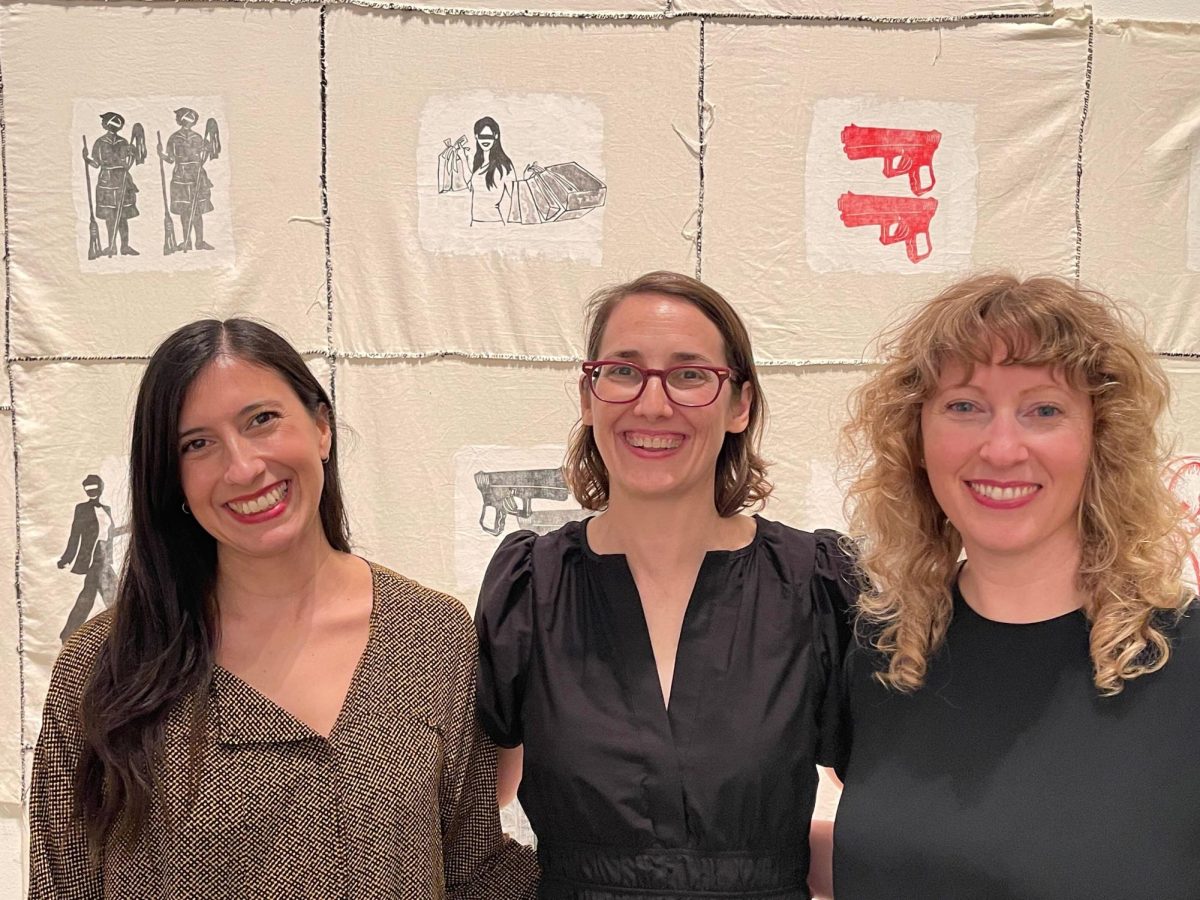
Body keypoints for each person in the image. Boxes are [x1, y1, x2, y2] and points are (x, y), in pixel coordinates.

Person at [29, 319, 538, 898]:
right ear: (172, 478)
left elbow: (474, 871)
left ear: (321, 427)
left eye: (262, 420)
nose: (243, 468)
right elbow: (60, 884)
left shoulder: (432, 635)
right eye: (198, 444)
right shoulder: (104, 666)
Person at [475, 271, 854, 899]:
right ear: (588, 395)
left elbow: (894, 810)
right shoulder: (528, 589)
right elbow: (462, 820)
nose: (652, 405)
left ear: (740, 405)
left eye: (689, 375)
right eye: (623, 371)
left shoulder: (813, 586)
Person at [827, 273, 1199, 899]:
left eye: (1044, 410)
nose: (1001, 449)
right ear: (916, 438)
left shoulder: (1185, 660)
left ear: (1099, 439)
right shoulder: (881, 654)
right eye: (964, 406)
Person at [56, 474, 123, 644]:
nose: (91, 491)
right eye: (88, 488)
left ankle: (68, 634)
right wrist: (67, 558)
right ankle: (126, 628)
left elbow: (109, 532)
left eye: (94, 488)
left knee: (94, 596)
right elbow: (75, 534)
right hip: (94, 558)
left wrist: (132, 527)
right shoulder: (82, 509)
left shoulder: (106, 509)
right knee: (113, 598)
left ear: (101, 488)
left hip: (105, 557)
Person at [83, 112, 144, 256]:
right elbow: (98, 164)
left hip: (120, 181)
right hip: (108, 182)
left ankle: (122, 247)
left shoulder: (119, 143)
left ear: (107, 124)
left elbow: (96, 164)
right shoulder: (106, 142)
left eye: (104, 121)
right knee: (113, 216)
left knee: (119, 216)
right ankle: (113, 246)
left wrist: (86, 159)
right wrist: (85, 158)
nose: (102, 124)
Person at [159, 107, 219, 251]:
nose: (176, 119)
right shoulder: (176, 138)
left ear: (183, 120)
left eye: (178, 117)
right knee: (185, 210)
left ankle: (198, 242)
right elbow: (171, 159)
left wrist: (206, 150)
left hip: (196, 175)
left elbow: (172, 159)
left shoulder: (196, 138)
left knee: (195, 210)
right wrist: (161, 154)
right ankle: (187, 242)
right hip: (181, 176)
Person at [458, 116, 514, 226]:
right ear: (476, 137)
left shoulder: (505, 164)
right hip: (475, 223)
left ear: (496, 136)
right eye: (482, 137)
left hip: (494, 224)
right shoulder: (478, 162)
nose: (485, 140)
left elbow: (516, 195)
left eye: (489, 137)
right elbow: (470, 184)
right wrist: (463, 157)